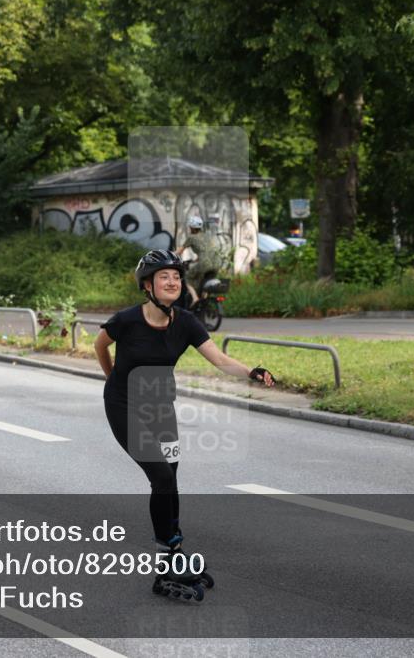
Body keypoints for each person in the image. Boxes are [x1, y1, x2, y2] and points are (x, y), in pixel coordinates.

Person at [93, 249, 275, 600]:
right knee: (160, 476)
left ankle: (172, 555)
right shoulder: (127, 320)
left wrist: (252, 371)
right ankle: (168, 556)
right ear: (147, 285)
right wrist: (112, 379)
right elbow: (101, 344)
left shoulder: (187, 322)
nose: (173, 281)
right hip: (123, 406)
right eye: (164, 277)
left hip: (161, 409)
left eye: (176, 276)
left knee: (170, 480)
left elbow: (219, 359)